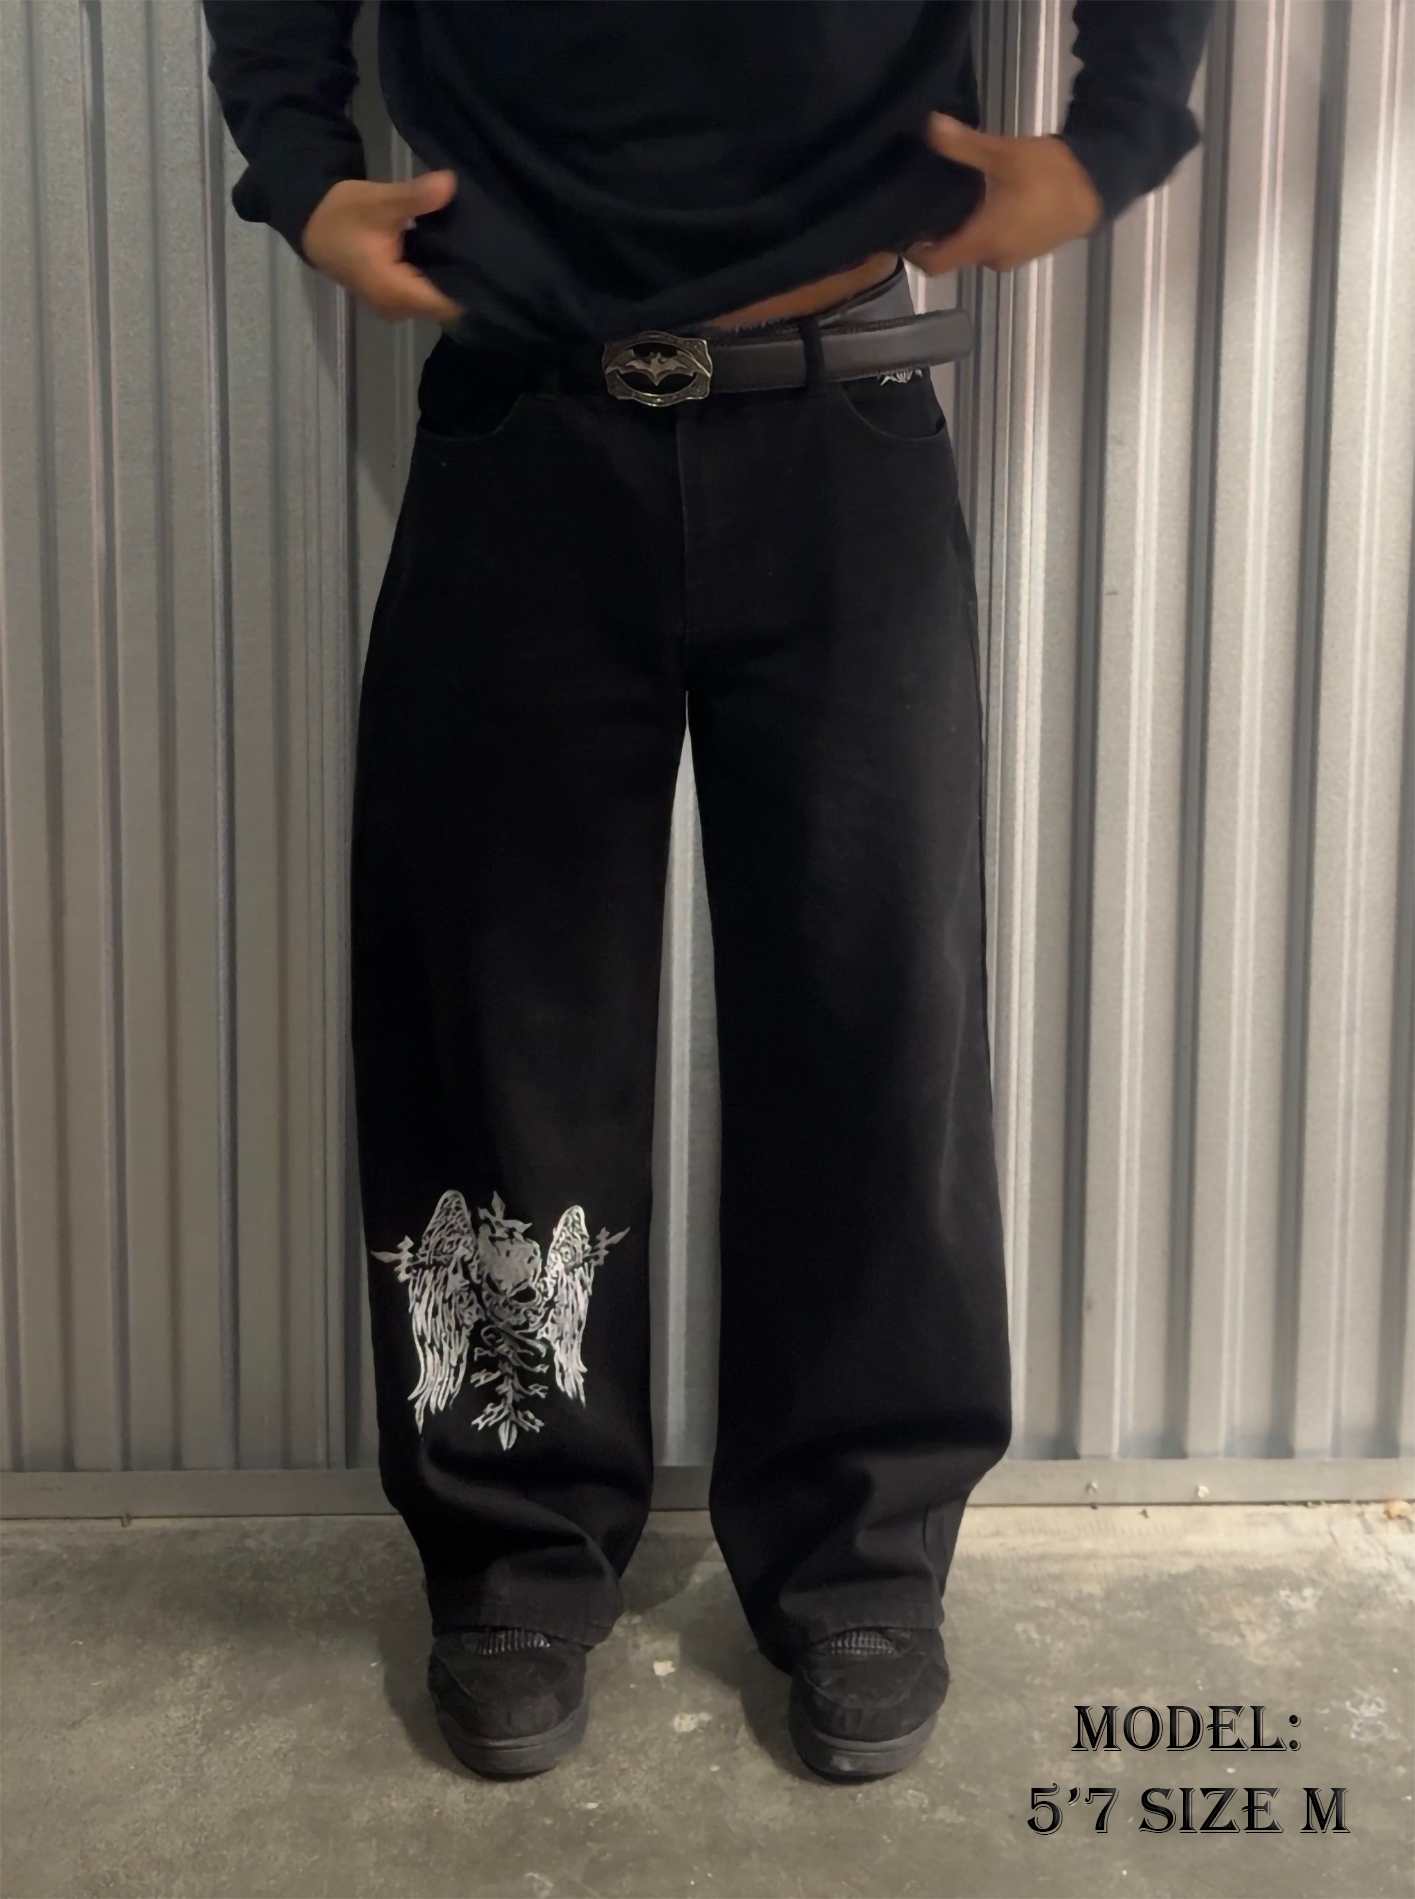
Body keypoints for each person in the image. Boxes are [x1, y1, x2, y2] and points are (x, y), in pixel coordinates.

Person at [201, 0, 1213, 1782]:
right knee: (500, 1010)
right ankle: (512, 1544)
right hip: (518, 418)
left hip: (845, 408)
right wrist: (297, 163)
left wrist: (1117, 130)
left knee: (872, 1012)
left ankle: (861, 1552)